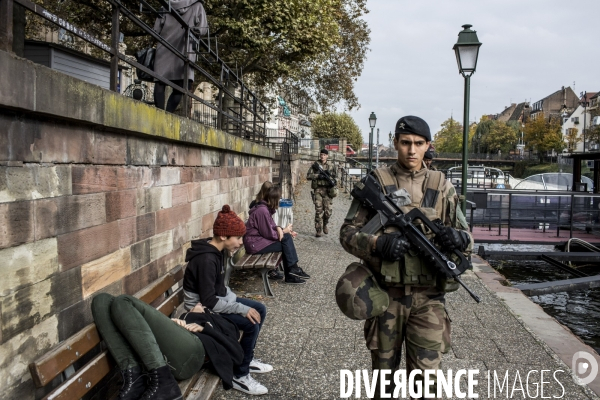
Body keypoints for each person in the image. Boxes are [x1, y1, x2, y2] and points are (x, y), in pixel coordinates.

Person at [338, 115, 473, 399]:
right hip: (386, 298)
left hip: (428, 300)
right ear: (396, 144)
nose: (412, 150)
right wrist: (377, 243)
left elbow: (467, 239)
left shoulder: (443, 187)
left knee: (427, 384)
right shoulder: (377, 183)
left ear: (428, 146)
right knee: (383, 382)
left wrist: (459, 238)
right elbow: (347, 234)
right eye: (406, 143)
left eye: (418, 144)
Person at [182, 205, 272, 395]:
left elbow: (220, 289)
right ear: (224, 236)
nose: (241, 242)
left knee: (259, 309)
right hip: (200, 311)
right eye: (238, 238)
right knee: (250, 323)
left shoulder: (217, 252)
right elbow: (208, 301)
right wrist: (240, 308)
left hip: (214, 301)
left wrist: (238, 304)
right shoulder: (206, 260)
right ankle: (240, 375)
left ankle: (247, 358)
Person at [91, 296, 242, 400]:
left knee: (123, 301)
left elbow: (238, 354)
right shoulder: (185, 316)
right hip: (171, 349)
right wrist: (173, 323)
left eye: (201, 304)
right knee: (101, 300)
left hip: (195, 351)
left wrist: (204, 329)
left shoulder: (218, 321)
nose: (198, 304)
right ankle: (135, 378)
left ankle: (165, 384)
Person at [245, 186, 308, 284]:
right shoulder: (262, 211)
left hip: (259, 241)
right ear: (274, 199)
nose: (280, 201)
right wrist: (284, 231)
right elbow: (269, 234)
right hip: (255, 244)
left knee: (286, 240)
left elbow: (271, 227)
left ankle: (292, 271)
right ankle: (292, 271)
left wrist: (281, 229)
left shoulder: (265, 209)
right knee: (285, 241)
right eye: (279, 198)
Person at [153, 0, 208, 112]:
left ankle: (159, 113)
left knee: (159, 82)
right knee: (182, 86)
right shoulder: (197, 5)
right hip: (185, 49)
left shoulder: (165, 5)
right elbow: (202, 30)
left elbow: (156, 29)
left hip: (165, 46)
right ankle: (168, 113)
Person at [306, 148, 338, 237]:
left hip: (328, 191)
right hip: (318, 190)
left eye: (324, 155)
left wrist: (333, 181)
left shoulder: (331, 166)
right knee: (318, 211)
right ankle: (318, 230)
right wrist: (318, 176)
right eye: (321, 155)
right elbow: (308, 176)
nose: (322, 156)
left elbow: (337, 177)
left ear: (327, 156)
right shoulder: (315, 165)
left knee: (328, 212)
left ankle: (325, 224)